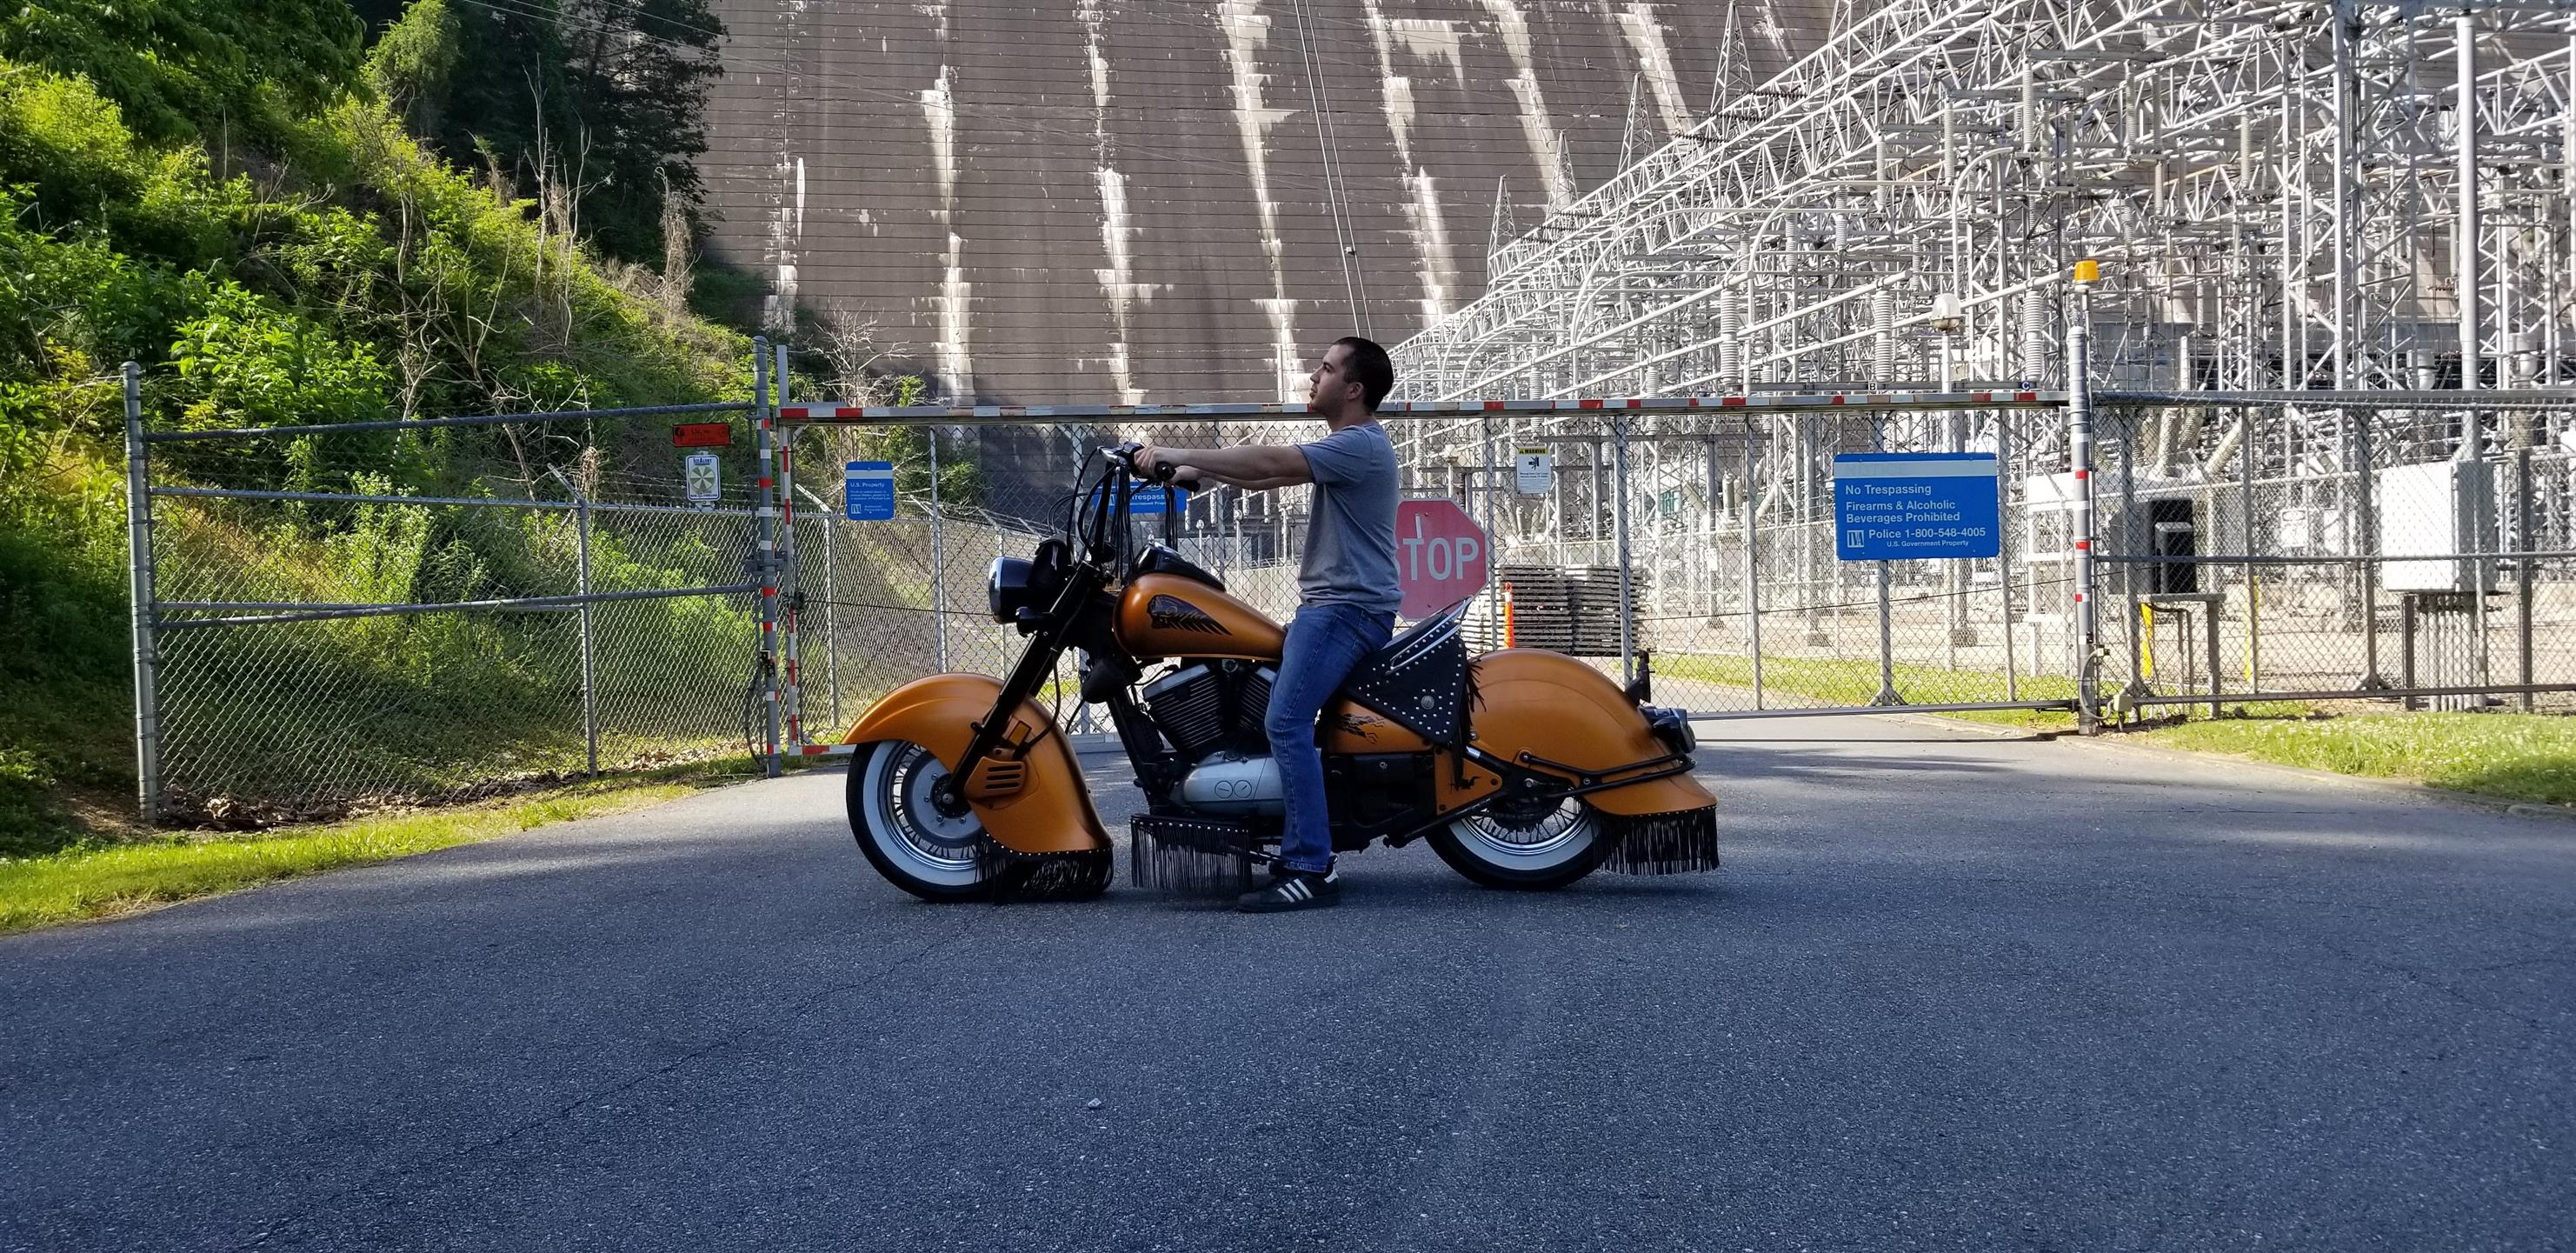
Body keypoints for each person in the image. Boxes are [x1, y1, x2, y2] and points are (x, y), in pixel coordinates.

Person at [1133, 337, 1401, 913]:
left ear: (1353, 389)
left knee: (1286, 719)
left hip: (1346, 610)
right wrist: (1188, 472)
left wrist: (1174, 449)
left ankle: (1310, 866)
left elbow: (1272, 462)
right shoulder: (1347, 447)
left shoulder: (1359, 444)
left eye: (1326, 369)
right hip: (1333, 608)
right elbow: (1264, 479)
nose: (1314, 377)